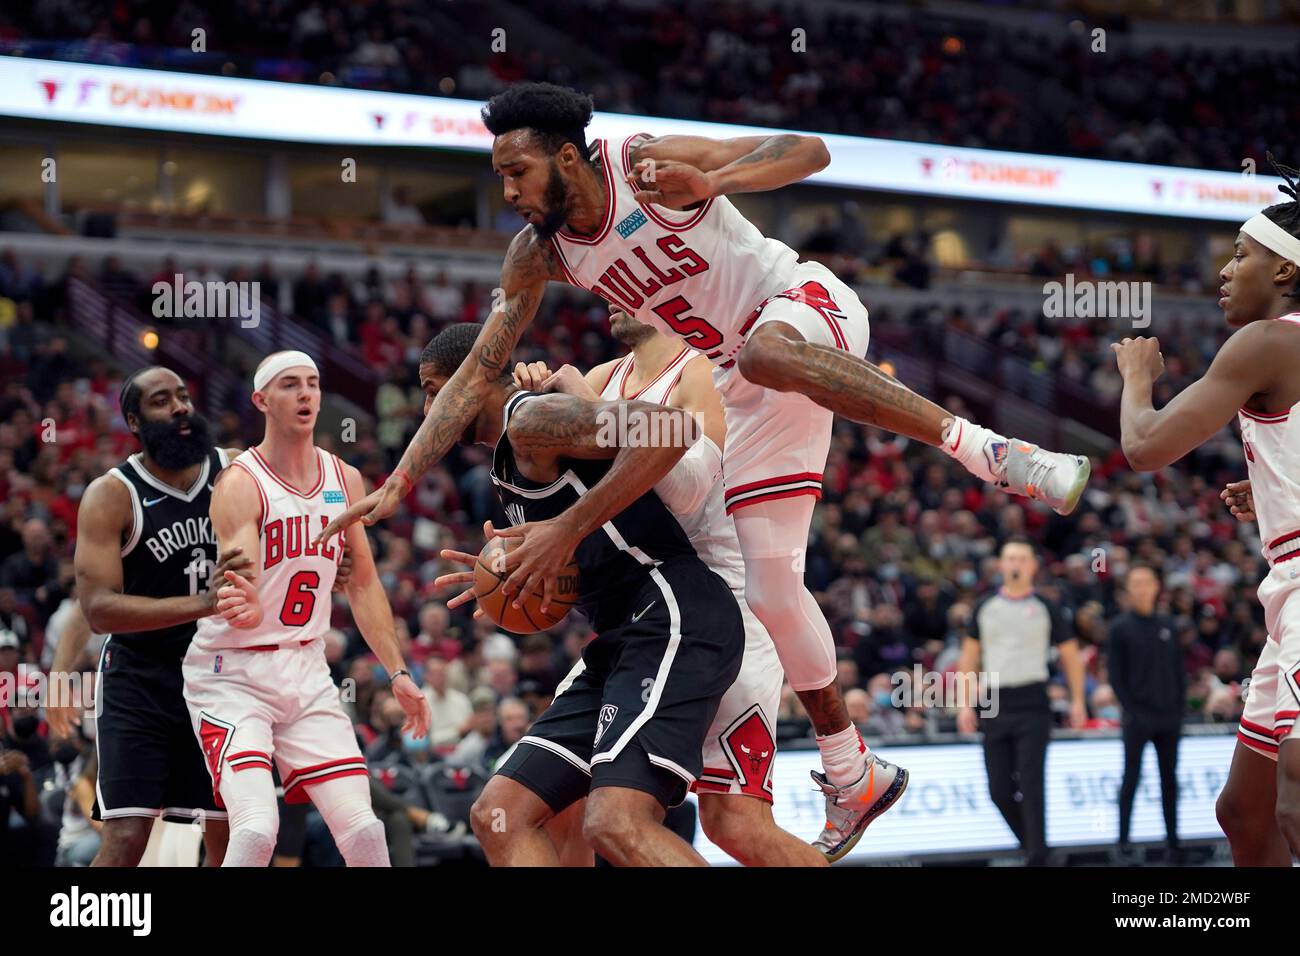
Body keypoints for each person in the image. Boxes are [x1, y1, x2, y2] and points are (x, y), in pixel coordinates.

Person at [321, 83, 1090, 857]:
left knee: (760, 350)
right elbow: (478, 367)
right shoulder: (538, 254)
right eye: (498, 176)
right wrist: (399, 481)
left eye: (517, 171)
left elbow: (810, 151)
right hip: (745, 383)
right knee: (770, 586)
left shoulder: (643, 165)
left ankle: (994, 452)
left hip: (801, 305)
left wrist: (716, 181)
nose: (508, 191)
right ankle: (852, 771)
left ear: (565, 156)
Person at [513, 308, 832, 865]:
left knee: (735, 823)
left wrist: (586, 414)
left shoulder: (704, 370)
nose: (609, 293)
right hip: (647, 610)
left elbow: (687, 487)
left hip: (725, 598)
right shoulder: (600, 376)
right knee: (555, 802)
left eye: (623, 283)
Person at [419, 323, 744, 867]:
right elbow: (579, 556)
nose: (430, 406)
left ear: (474, 378)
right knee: (500, 814)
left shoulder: (530, 421)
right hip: (622, 633)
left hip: (673, 609)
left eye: (435, 389)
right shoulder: (505, 460)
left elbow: (667, 429)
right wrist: (512, 575)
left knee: (614, 821)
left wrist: (565, 527)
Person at [1114, 157, 1300, 864]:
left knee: (1293, 798)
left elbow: (1145, 446)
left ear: (1284, 271)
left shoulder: (1267, 340)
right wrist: (1277, 490)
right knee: (1244, 813)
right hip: (1284, 593)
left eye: (1240, 253)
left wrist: (1137, 378)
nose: (1225, 270)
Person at [182, 350, 429, 867]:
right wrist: (241, 596)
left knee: (365, 829)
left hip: (306, 666)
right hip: (234, 671)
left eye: (313, 384)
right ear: (261, 400)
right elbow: (240, 568)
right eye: (290, 385)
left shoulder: (346, 479)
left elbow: (363, 584)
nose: (306, 395)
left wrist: (398, 672)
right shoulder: (240, 482)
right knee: (255, 831)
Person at [69, 366, 245, 866]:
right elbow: (99, 610)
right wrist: (202, 604)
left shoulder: (235, 471)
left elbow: (283, 544)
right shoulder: (111, 494)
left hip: (221, 677)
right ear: (133, 422)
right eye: (162, 401)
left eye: (184, 396)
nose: (180, 408)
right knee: (126, 837)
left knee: (233, 834)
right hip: (140, 680)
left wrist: (330, 562)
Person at [956, 538, 1086, 866]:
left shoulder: (1047, 606)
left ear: (1032, 566)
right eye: (1009, 558)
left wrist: (1078, 701)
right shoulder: (984, 607)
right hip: (995, 701)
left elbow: (1071, 657)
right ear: (1001, 565)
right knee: (999, 790)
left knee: (1031, 783)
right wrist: (965, 704)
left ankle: (1037, 855)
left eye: (1021, 558)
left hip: (1033, 700)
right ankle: (1036, 848)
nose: (1014, 564)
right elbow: (968, 660)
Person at [1108, 564, 1184, 862]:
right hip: (1138, 717)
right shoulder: (1120, 627)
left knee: (1170, 780)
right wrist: (1131, 710)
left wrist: (1178, 708)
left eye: (1146, 581)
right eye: (1135, 582)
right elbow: (1115, 676)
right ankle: (1124, 842)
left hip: (1169, 716)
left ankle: (1173, 843)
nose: (1141, 587)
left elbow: (1178, 670)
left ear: (1156, 586)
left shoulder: (1168, 624)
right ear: (1128, 589)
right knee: (1131, 778)